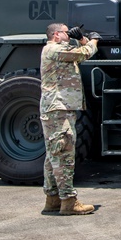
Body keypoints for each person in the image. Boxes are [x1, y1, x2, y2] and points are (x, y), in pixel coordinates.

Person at [39, 23, 98, 215]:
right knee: (64, 154)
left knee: (53, 155)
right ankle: (69, 201)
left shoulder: (54, 50)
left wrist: (81, 39)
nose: (68, 35)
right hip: (59, 110)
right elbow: (84, 53)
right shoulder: (55, 49)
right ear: (56, 35)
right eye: (66, 32)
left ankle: (53, 199)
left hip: (57, 109)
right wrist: (93, 40)